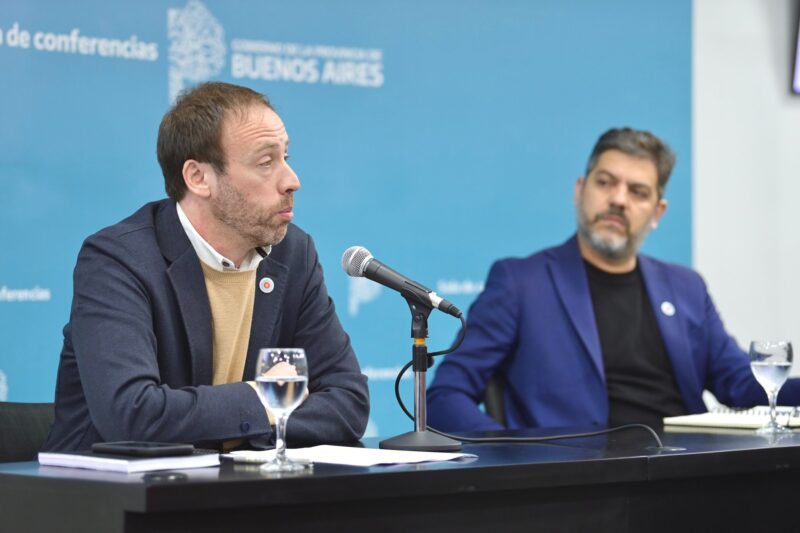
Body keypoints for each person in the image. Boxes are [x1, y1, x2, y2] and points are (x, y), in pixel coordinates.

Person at [43, 82, 369, 451]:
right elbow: (131, 415)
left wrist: (238, 426)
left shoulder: (293, 253)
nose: (292, 180)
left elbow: (347, 404)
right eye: (265, 162)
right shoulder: (119, 260)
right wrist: (264, 399)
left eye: (286, 158)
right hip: (108, 499)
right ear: (198, 178)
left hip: (235, 494)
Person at [427, 127, 800, 432]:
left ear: (657, 212)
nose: (619, 200)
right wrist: (514, 455)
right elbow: (446, 395)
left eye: (638, 192)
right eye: (606, 183)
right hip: (581, 485)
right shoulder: (521, 282)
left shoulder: (686, 287)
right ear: (580, 190)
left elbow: (739, 383)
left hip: (688, 473)